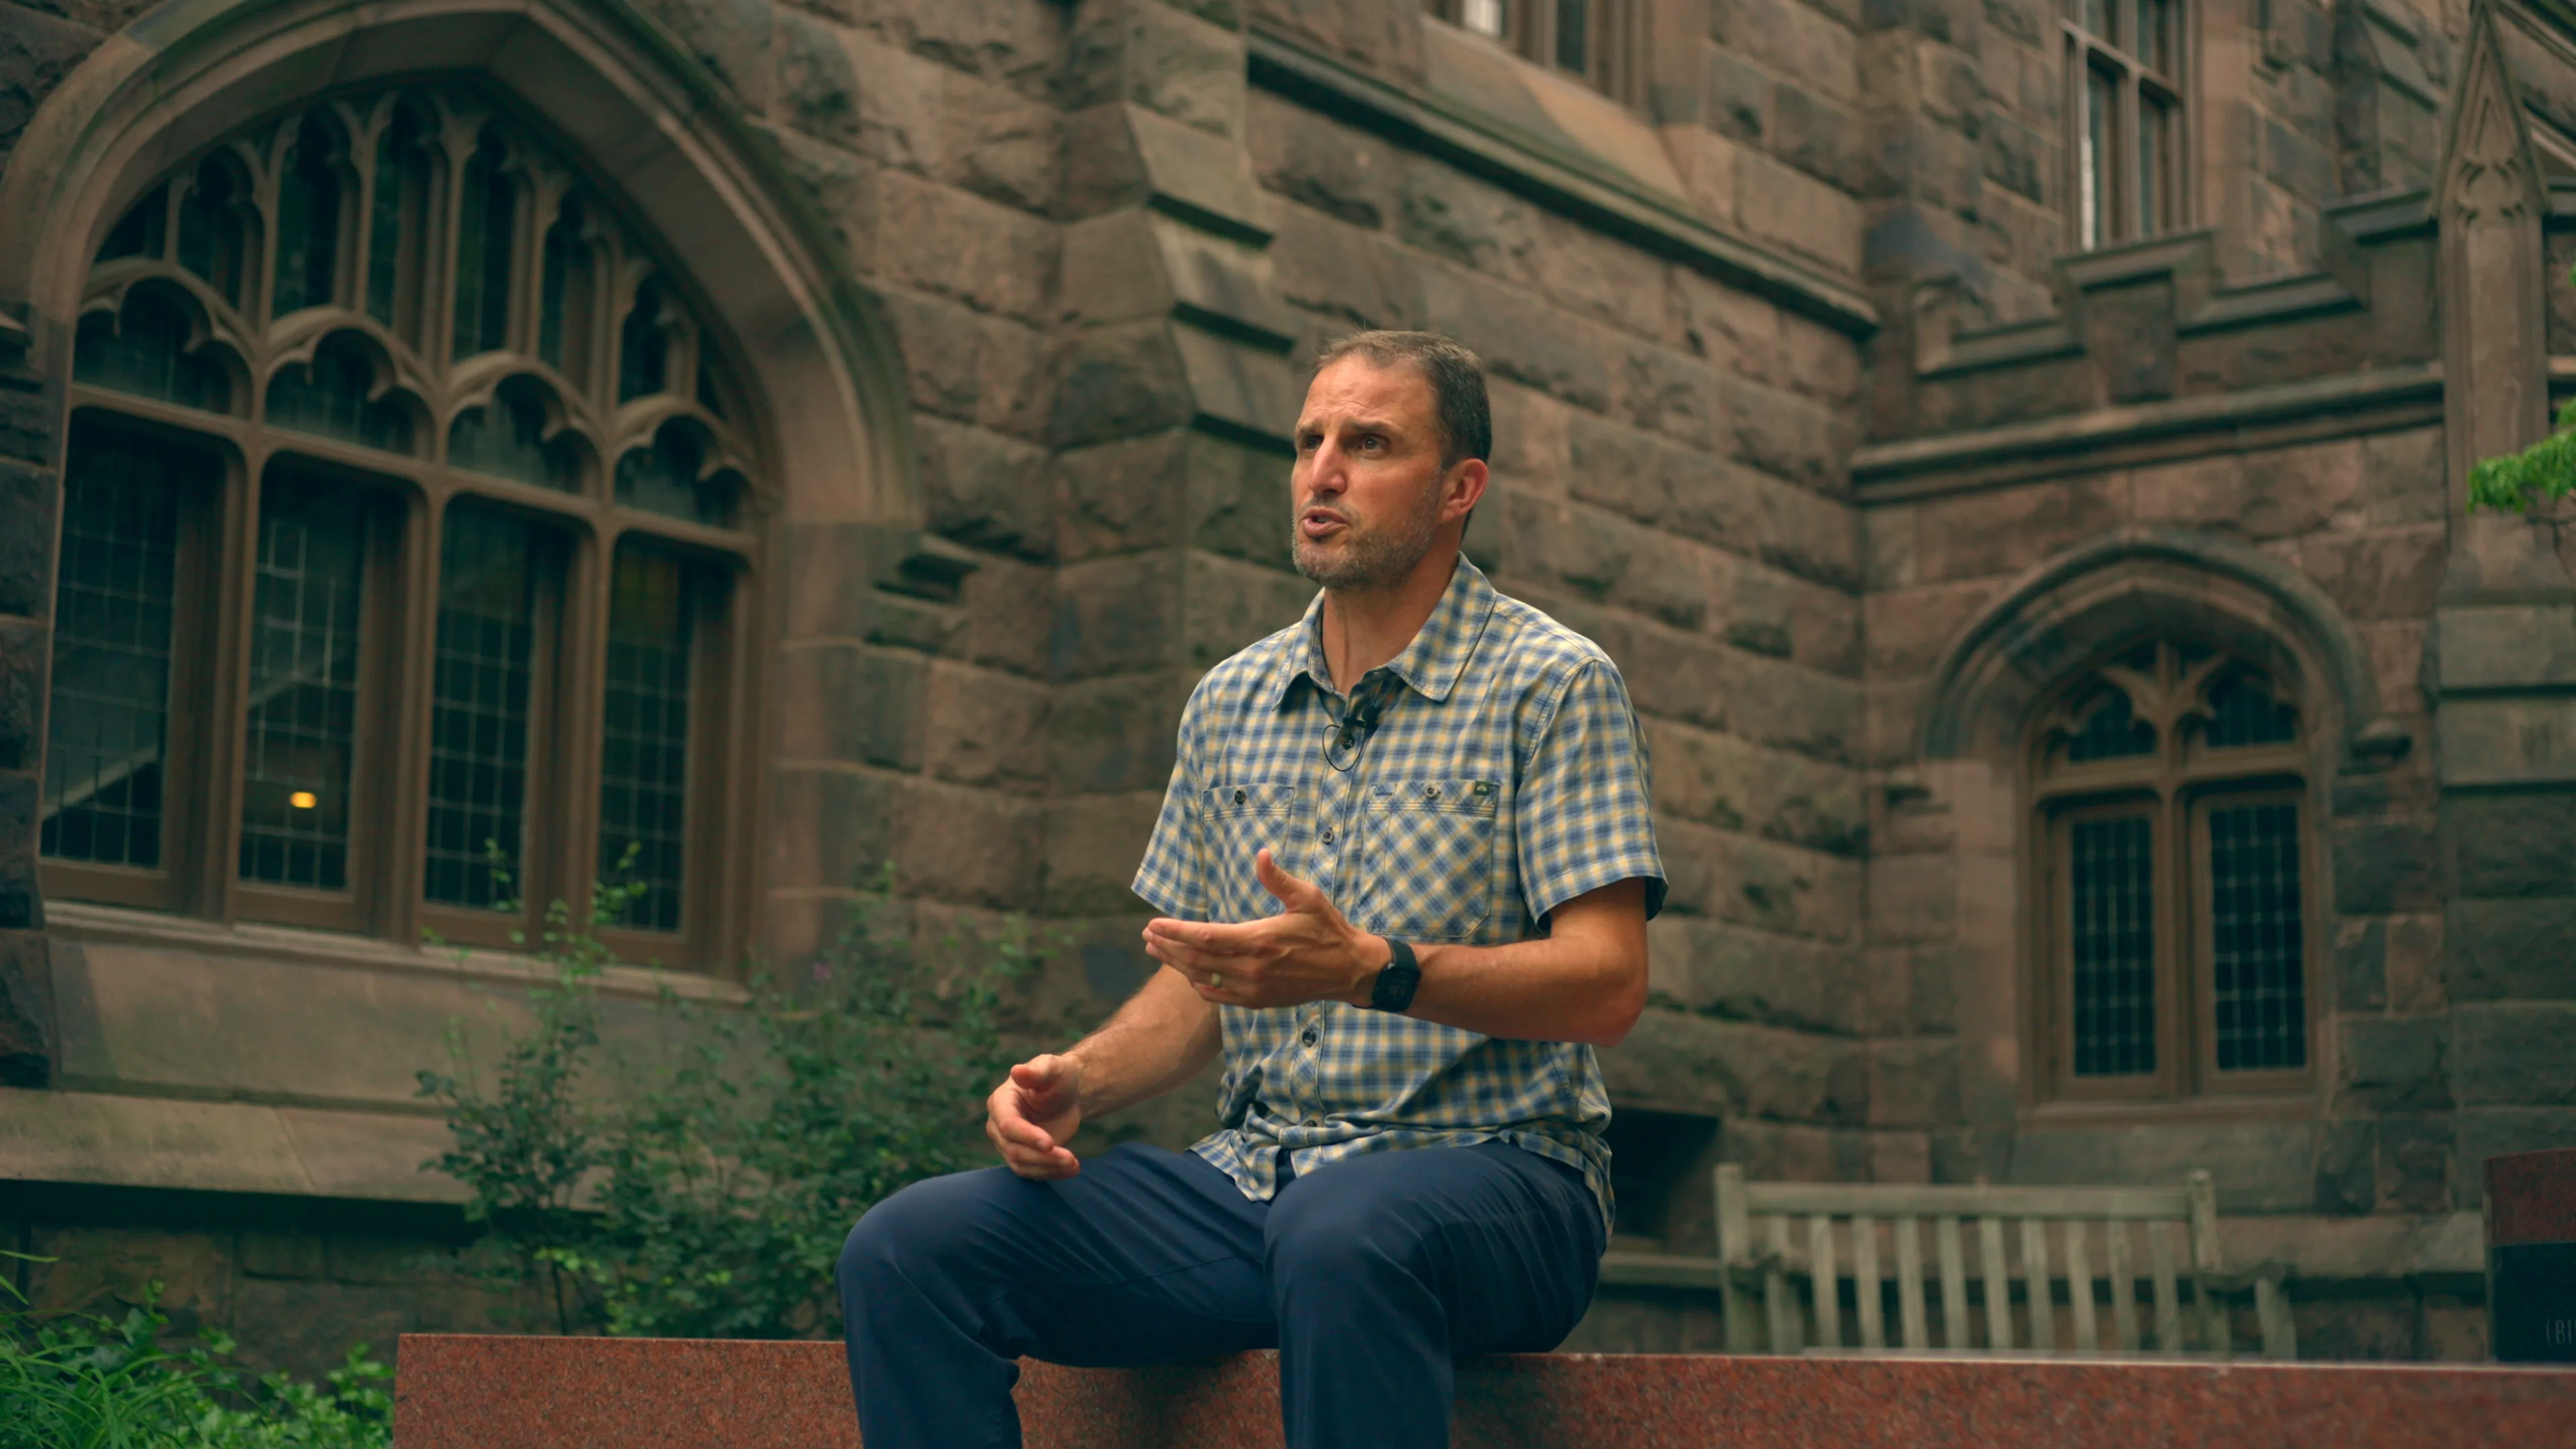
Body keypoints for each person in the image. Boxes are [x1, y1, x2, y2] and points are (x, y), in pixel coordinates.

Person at [837, 330, 1666, 1449]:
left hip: (1507, 1180)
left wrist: (1373, 970)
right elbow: (1206, 985)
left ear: (1459, 488)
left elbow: (1608, 984)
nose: (1323, 472)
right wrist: (1082, 1078)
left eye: (1369, 445)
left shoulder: (1554, 683)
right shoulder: (1232, 700)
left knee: (1342, 1232)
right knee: (910, 1249)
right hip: (1258, 1187)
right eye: (1309, 440)